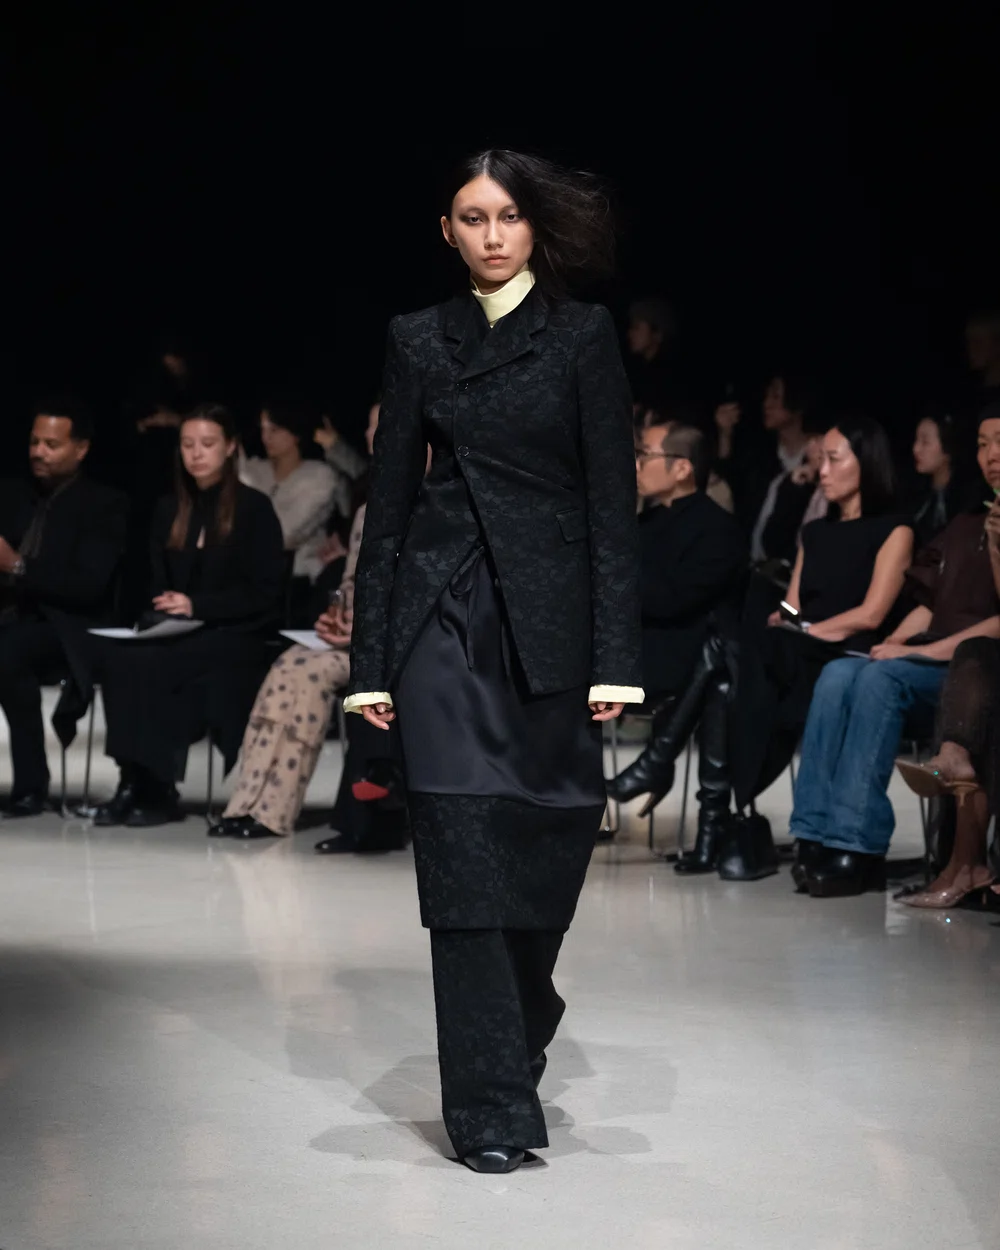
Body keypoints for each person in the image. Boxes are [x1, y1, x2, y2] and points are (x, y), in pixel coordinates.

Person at [344, 149, 642, 1174]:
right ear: (447, 231)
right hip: (441, 616)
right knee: (462, 853)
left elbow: (612, 502)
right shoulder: (417, 338)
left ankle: (522, 1010)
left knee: (553, 838)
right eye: (472, 218)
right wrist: (372, 660)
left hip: (549, 623)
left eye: (508, 216)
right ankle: (490, 1109)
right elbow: (387, 508)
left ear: (534, 226)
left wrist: (616, 656)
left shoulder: (581, 335)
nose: (492, 235)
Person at [789, 408, 1000, 898]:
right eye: (983, 444)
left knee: (878, 680)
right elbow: (928, 603)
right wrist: (898, 644)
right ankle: (813, 832)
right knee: (841, 673)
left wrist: (923, 654)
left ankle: (856, 844)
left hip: (972, 671)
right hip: (931, 661)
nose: (992, 454)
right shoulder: (966, 522)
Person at [719, 417, 914, 876]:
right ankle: (738, 793)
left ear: (866, 463)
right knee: (746, 646)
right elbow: (794, 602)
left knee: (745, 664)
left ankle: (731, 797)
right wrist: (785, 617)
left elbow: (872, 614)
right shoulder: (815, 532)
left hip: (850, 650)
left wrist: (808, 629)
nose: (822, 471)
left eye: (833, 459)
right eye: (820, 460)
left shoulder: (894, 530)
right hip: (803, 647)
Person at [93, 404, 284, 827]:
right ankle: (133, 778)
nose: (196, 453)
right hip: (180, 631)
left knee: (153, 663)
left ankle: (156, 786)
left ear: (230, 447)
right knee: (121, 657)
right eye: (187, 444)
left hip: (236, 633)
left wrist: (198, 607)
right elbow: (156, 581)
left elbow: (265, 593)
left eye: (207, 444)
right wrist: (165, 607)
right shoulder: (169, 509)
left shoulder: (253, 509)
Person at [605, 422, 746, 872]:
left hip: (676, 658)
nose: (636, 466)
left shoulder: (718, 529)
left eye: (645, 455)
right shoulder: (641, 523)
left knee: (716, 671)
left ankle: (655, 765)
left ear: (682, 468)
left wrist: (621, 586)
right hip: (638, 650)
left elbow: (674, 600)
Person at [0, 399, 127, 815]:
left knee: (7, 653)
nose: (39, 452)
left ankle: (30, 783)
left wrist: (17, 565)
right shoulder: (13, 494)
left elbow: (87, 588)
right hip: (12, 616)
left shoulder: (103, 505)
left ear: (81, 449)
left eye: (51, 445)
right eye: (34, 442)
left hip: (68, 626)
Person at [239, 400, 338, 583]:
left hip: (298, 579)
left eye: (274, 430)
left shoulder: (319, 476)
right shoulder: (254, 470)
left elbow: (287, 535)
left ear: (295, 433)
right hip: (248, 575)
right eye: (263, 429)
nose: (266, 437)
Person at [715, 373, 814, 553]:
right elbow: (728, 484)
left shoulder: (818, 459)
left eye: (776, 397)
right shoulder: (761, 454)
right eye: (766, 396)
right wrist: (725, 434)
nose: (767, 404)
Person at [909, 409, 977, 548]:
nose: (916, 449)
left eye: (925, 442)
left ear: (948, 447)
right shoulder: (913, 496)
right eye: (916, 440)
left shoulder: (969, 499)